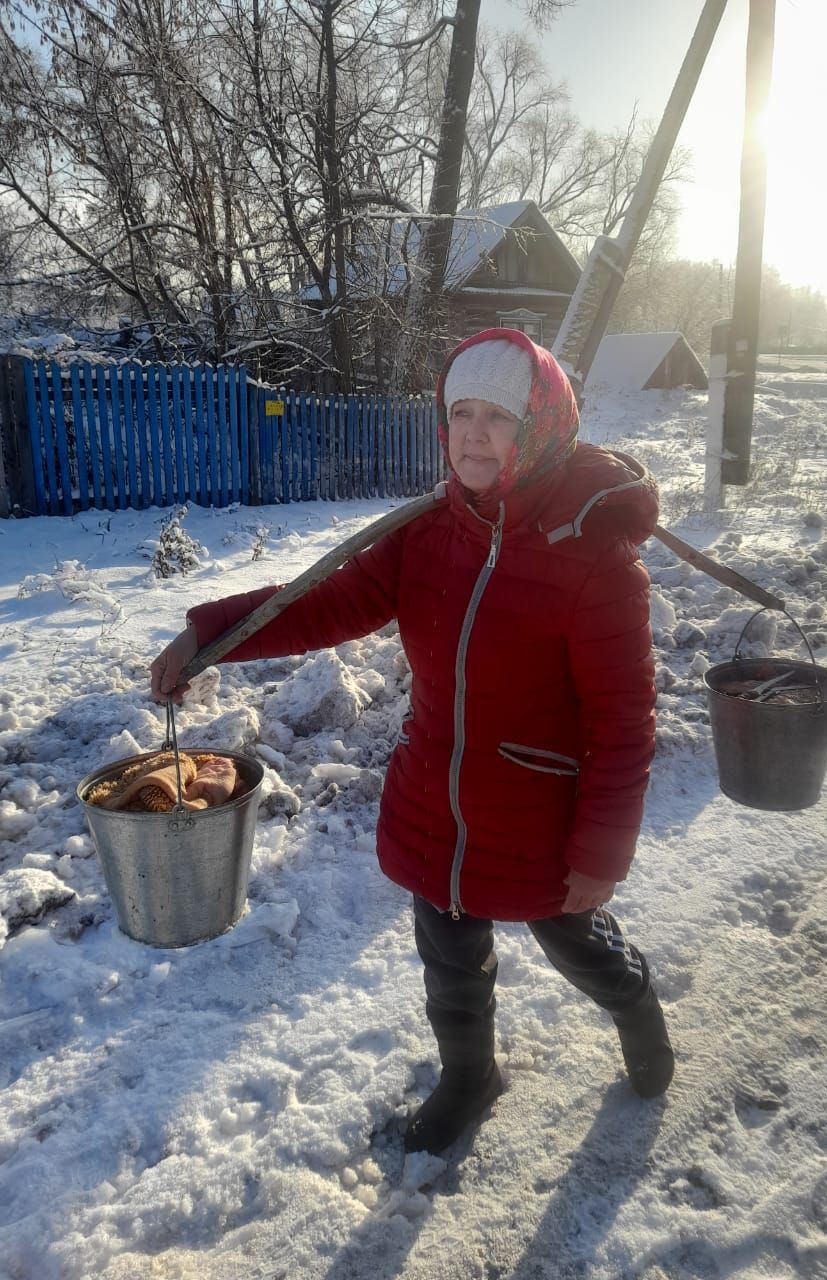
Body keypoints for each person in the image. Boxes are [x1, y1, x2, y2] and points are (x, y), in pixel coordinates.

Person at [151, 328, 673, 1155]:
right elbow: (322, 600)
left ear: (538, 425)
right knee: (450, 965)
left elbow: (623, 724)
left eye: (495, 417)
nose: (471, 433)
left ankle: (638, 1010)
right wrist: (207, 637)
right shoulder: (430, 531)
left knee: (576, 944)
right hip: (437, 796)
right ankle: (470, 1076)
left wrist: (601, 854)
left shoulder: (596, 562)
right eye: (459, 412)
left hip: (541, 813)